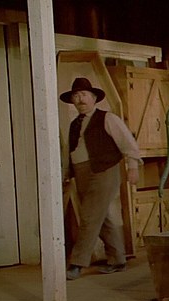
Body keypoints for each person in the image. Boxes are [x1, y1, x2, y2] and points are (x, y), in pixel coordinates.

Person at [60, 78, 141, 280]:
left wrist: (132, 166)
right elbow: (70, 151)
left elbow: (128, 143)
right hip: (81, 172)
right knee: (99, 216)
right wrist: (66, 173)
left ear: (94, 98)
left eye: (84, 95)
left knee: (89, 216)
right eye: (76, 96)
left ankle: (77, 263)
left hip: (104, 170)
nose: (80, 99)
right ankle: (118, 259)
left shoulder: (108, 118)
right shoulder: (74, 124)